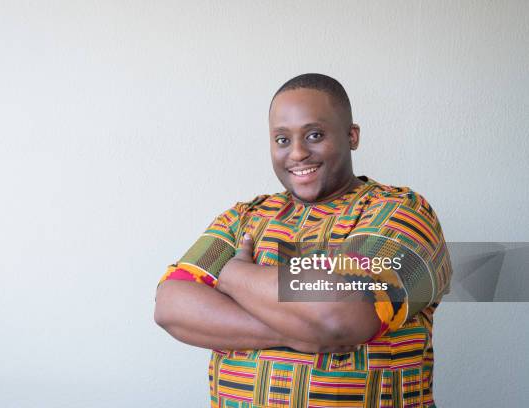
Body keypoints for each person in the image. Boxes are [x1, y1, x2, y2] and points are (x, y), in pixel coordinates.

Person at [154, 73, 452, 407]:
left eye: (314, 135)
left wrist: (236, 275)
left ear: (351, 136)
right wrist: (299, 330)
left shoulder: (401, 213)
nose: (297, 153)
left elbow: (341, 314)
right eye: (282, 140)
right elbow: (170, 306)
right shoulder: (244, 217)